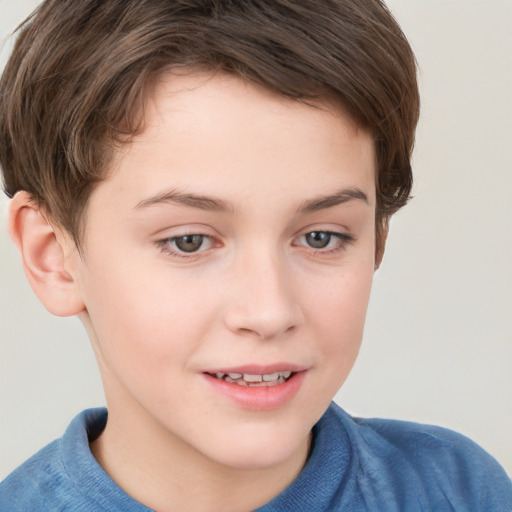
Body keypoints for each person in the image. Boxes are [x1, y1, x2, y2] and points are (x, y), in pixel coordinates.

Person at [0, 0, 511, 510]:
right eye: (189, 241)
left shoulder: (459, 492)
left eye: (320, 237)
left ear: (377, 236)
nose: (269, 312)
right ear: (54, 256)